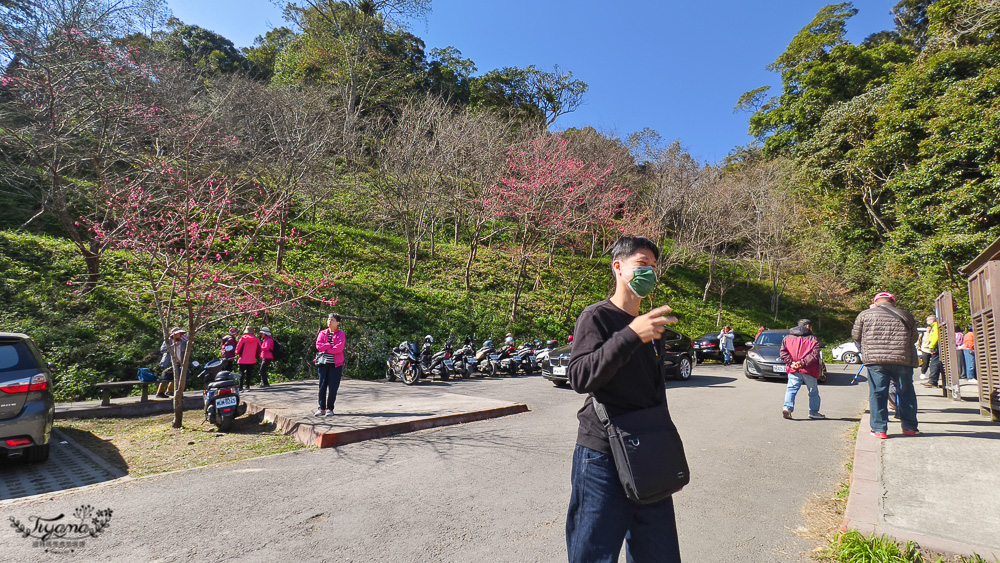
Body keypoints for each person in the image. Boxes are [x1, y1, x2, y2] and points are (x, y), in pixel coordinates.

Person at [566, 236, 682, 563]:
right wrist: (630, 335)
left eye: (654, 268)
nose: (650, 273)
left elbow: (654, 395)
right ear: (618, 267)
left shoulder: (651, 327)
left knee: (658, 555)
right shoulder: (596, 317)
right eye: (642, 265)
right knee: (593, 554)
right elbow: (580, 376)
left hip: (648, 454)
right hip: (602, 455)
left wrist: (668, 459)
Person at [851, 292, 919, 439]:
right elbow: (914, 338)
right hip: (902, 359)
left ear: (875, 302)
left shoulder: (865, 315)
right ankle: (910, 427)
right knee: (906, 392)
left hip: (876, 360)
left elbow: (856, 336)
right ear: (893, 303)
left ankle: (879, 429)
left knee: (877, 393)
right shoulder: (906, 315)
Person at [780, 319, 824, 420]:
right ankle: (814, 412)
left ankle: (787, 407)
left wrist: (792, 363)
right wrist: (802, 363)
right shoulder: (813, 339)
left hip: (793, 369)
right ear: (808, 327)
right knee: (813, 392)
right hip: (809, 370)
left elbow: (783, 353)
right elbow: (814, 355)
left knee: (791, 389)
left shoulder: (787, 338)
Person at [314, 313, 346, 417]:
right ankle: (321, 408)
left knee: (333, 387)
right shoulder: (322, 333)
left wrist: (326, 349)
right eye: (328, 319)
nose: (329, 321)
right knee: (322, 386)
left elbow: (339, 348)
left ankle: (330, 408)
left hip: (336, 365)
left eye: (332, 320)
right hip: (323, 364)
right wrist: (329, 345)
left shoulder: (341, 334)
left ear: (337, 323)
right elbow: (318, 346)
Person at [156, 328, 187, 398]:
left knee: (176, 376)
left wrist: (182, 362)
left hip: (178, 361)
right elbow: (162, 349)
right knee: (165, 377)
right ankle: (159, 392)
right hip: (169, 361)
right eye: (179, 334)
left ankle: (169, 391)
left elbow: (183, 352)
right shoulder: (168, 341)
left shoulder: (182, 342)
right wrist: (173, 345)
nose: (181, 335)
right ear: (174, 334)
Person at [234, 326, 261, 391]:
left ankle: (240, 387)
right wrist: (256, 356)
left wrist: (237, 353)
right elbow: (259, 349)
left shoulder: (242, 339)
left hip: (242, 359)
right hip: (252, 359)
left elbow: (238, 349)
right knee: (249, 373)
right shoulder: (256, 339)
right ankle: (247, 386)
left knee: (241, 373)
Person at [923, 315, 942, 388]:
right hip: (934, 346)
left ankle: (932, 381)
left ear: (932, 320)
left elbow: (935, 337)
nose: (927, 322)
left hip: (935, 346)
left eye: (928, 320)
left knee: (934, 364)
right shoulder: (934, 327)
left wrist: (932, 346)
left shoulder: (935, 326)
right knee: (933, 363)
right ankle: (932, 380)